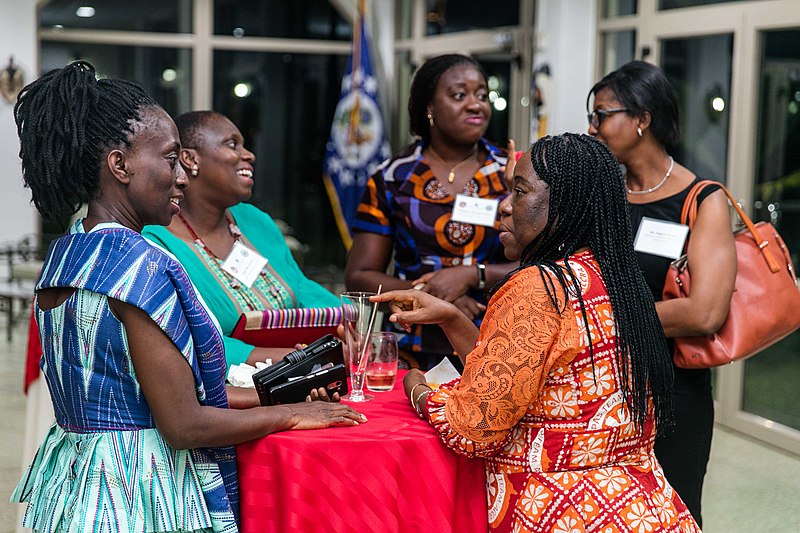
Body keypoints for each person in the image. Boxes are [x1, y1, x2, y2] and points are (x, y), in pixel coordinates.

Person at [10, 61, 365, 532]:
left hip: (77, 481)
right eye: (170, 157)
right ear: (120, 165)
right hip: (135, 491)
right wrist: (293, 414)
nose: (182, 176)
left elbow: (129, 387)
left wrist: (267, 392)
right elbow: (184, 425)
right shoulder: (140, 265)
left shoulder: (69, 249)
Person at [374, 133, 701, 532]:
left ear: (562, 206)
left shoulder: (538, 287)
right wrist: (452, 319)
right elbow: (526, 376)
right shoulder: (613, 277)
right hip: (642, 507)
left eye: (520, 191)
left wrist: (416, 387)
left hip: (559, 511)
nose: (504, 207)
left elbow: (473, 429)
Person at [587, 60, 736, 527]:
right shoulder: (601, 192)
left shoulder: (701, 198)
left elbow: (705, 312)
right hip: (598, 386)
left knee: (672, 511)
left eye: (602, 115)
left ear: (641, 119)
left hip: (672, 391)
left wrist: (602, 317)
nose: (592, 127)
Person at [345, 53, 515, 371]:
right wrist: (429, 294)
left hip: (501, 341)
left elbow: (545, 267)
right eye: (459, 95)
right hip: (413, 345)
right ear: (429, 107)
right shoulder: (393, 177)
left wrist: (471, 276)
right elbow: (359, 275)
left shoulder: (513, 174)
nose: (476, 104)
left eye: (482, 95)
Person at [143, 110, 341, 369]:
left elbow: (301, 289)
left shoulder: (253, 220)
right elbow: (187, 341)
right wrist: (291, 359)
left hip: (303, 370)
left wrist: (349, 322)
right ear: (190, 159)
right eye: (232, 144)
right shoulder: (157, 242)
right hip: (225, 395)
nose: (249, 155)